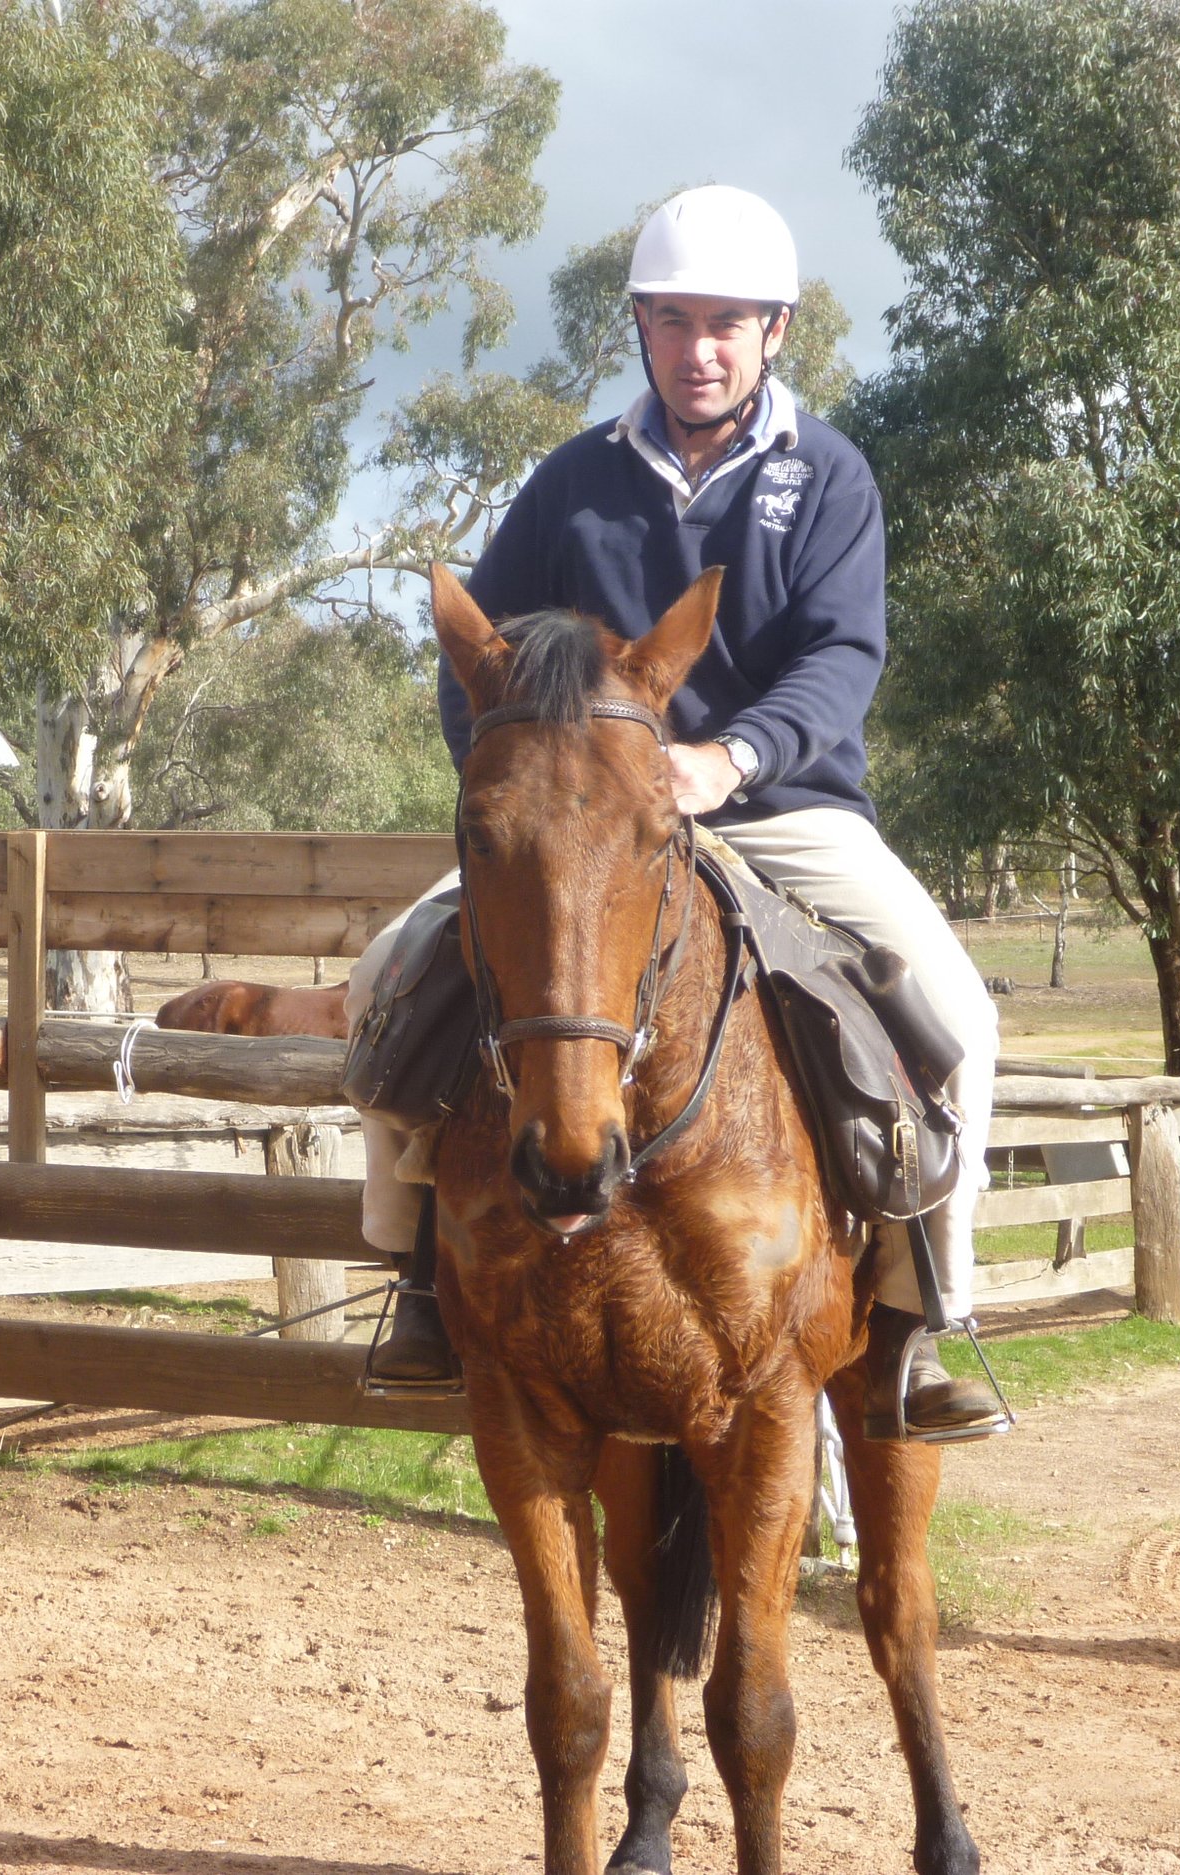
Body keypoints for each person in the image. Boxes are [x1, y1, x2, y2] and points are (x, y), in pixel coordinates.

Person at [350, 184, 1004, 1440]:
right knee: (392, 977)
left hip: (781, 808)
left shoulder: (827, 477)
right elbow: (476, 664)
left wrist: (730, 760)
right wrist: (522, 798)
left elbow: (842, 657)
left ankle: (922, 1325)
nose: (698, 349)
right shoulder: (571, 483)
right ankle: (412, 1289)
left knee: (957, 1022)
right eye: (672, 321)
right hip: (592, 831)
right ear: (639, 326)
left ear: (775, 332)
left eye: (726, 324)